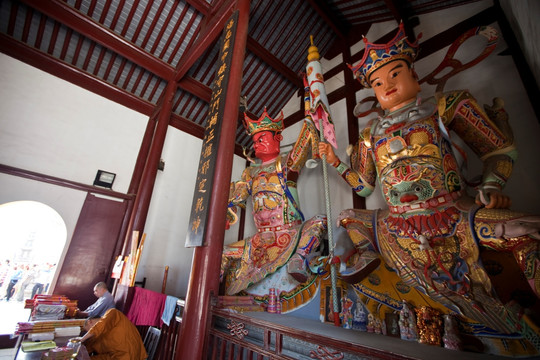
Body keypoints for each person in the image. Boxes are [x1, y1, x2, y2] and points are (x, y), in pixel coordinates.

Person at [319, 23, 540, 336]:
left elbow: (499, 151)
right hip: (396, 222)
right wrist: (334, 162)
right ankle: (368, 267)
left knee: (528, 231)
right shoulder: (370, 135)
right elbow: (364, 186)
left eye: (394, 74)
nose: (386, 85)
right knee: (347, 219)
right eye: (377, 82)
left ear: (413, 75)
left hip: (455, 213)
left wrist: (492, 186)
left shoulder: (446, 106)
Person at [221, 109, 326, 305]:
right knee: (223, 253)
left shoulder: (288, 163)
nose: (256, 143)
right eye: (254, 141)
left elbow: (306, 138)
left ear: (277, 137)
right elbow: (236, 197)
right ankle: (213, 292)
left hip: (291, 233)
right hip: (260, 241)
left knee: (320, 220)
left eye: (261, 138)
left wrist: (312, 108)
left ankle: (299, 258)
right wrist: (227, 212)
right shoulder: (250, 173)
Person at [76, 308, 147, 360]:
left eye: (88, 330)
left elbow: (99, 327)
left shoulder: (113, 313)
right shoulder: (97, 336)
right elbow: (88, 348)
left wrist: (82, 339)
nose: (89, 332)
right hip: (115, 356)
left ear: (89, 322)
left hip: (130, 355)